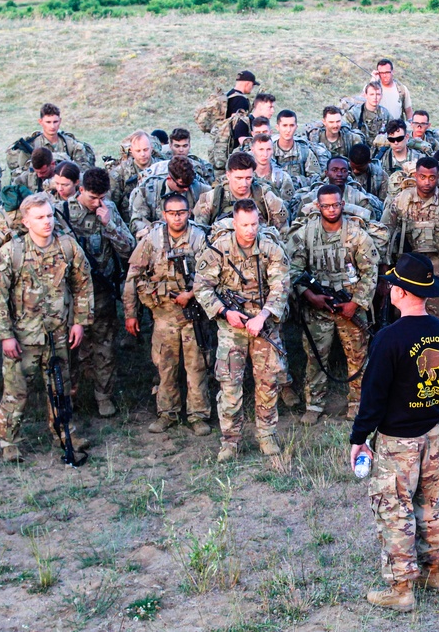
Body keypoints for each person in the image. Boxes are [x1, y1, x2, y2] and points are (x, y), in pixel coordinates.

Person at [349, 252, 439, 613]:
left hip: (399, 441)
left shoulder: (389, 338)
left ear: (401, 291)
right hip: (436, 433)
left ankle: (401, 589)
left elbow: (374, 395)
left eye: (392, 283)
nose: (389, 287)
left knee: (394, 510)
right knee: (433, 504)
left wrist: (360, 438)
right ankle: (434, 571)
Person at [0, 193, 93, 462]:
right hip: (24, 336)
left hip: (57, 332)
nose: (47, 222)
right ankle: (9, 441)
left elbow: (83, 284)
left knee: (61, 387)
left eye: (49, 216)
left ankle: (64, 431)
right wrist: (5, 336)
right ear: (26, 221)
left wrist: (79, 321)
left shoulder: (67, 247)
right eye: (40, 217)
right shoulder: (12, 252)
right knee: (16, 390)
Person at [194, 199, 290, 462]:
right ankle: (230, 442)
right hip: (232, 326)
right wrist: (225, 312)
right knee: (229, 385)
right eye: (244, 225)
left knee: (268, 382)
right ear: (234, 223)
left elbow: (281, 286)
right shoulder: (218, 250)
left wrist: (263, 315)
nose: (250, 230)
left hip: (264, 323)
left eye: (254, 224)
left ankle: (267, 436)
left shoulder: (271, 249)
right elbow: (202, 287)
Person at [288, 184, 381, 424]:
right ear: (318, 206)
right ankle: (314, 405)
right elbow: (294, 269)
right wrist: (309, 295)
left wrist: (356, 303)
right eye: (326, 205)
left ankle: (358, 404)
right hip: (318, 308)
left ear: (343, 204)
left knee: (357, 357)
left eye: (336, 204)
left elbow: (370, 271)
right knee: (315, 358)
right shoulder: (307, 233)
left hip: (349, 305)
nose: (331, 209)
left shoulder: (356, 233)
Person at [124, 192, 211, 436]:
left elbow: (212, 273)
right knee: (165, 368)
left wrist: (191, 294)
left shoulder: (198, 237)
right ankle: (167, 413)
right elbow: (133, 276)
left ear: (189, 212)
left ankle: (198, 415)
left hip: (193, 315)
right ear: (164, 215)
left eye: (182, 212)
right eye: (172, 213)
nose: (177, 217)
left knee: (197, 368)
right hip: (163, 316)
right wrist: (131, 313)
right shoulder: (152, 240)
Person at [57, 167, 136, 418]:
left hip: (102, 292)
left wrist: (109, 223)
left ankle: (103, 396)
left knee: (104, 346)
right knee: (71, 348)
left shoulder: (108, 210)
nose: (98, 203)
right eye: (93, 197)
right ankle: (70, 395)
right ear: (80, 189)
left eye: (102, 197)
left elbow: (129, 249)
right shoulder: (63, 213)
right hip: (71, 295)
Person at [381, 157, 439, 323]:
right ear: (415, 175)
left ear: (438, 177)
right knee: (404, 315)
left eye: (432, 178)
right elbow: (385, 234)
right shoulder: (401, 200)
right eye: (422, 177)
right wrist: (385, 270)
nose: (427, 182)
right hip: (407, 265)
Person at [193, 152, 288, 232]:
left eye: (248, 178)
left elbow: (282, 232)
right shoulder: (213, 198)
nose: (244, 183)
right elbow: (200, 233)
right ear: (228, 175)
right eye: (239, 178)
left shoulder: (265, 196)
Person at [129, 156, 212, 237]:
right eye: (182, 186)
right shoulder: (147, 192)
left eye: (189, 185)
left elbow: (215, 196)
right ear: (169, 178)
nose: (186, 189)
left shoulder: (198, 189)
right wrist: (151, 230)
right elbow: (136, 222)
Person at [9, 102, 93, 171]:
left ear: (60, 121)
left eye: (55, 122)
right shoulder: (31, 145)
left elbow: (83, 172)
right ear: (40, 122)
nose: (52, 126)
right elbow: (20, 174)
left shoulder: (71, 145)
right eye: (48, 122)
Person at [109, 130, 159, 221]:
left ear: (151, 148)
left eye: (145, 149)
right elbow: (111, 205)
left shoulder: (162, 169)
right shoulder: (120, 173)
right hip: (130, 224)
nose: (142, 154)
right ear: (131, 151)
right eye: (138, 151)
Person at [270, 110, 322, 191]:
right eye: (284, 125)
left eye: (291, 125)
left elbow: (316, 177)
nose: (288, 130)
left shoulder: (304, 150)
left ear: (296, 127)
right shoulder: (269, 150)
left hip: (300, 195)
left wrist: (298, 181)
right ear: (277, 127)